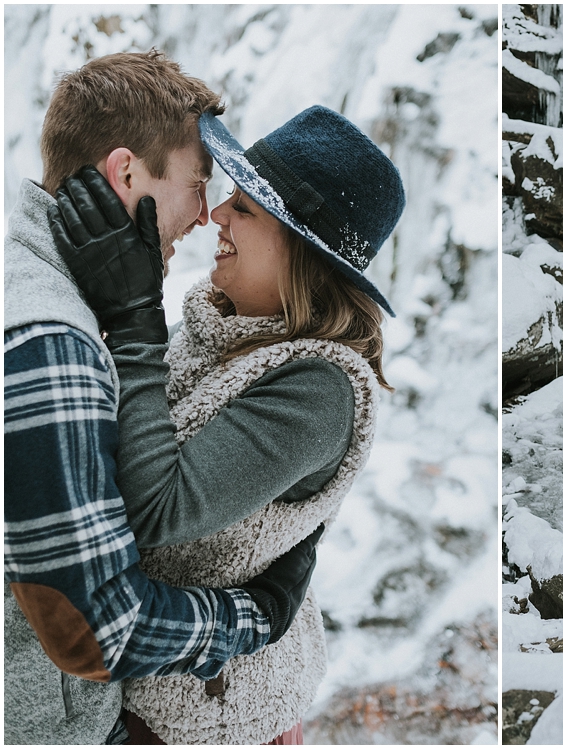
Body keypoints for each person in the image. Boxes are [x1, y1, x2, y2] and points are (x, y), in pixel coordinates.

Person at [48, 104, 405, 744]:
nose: (216, 216)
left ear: (303, 252)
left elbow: (157, 506)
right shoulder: (215, 329)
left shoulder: (321, 386)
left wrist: (133, 315)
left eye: (245, 207)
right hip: (149, 693)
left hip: (213, 722)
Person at [4, 51, 320, 745]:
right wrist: (256, 617)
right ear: (125, 174)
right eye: (197, 184)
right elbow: (94, 627)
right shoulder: (52, 342)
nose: (206, 216)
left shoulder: (33, 290)